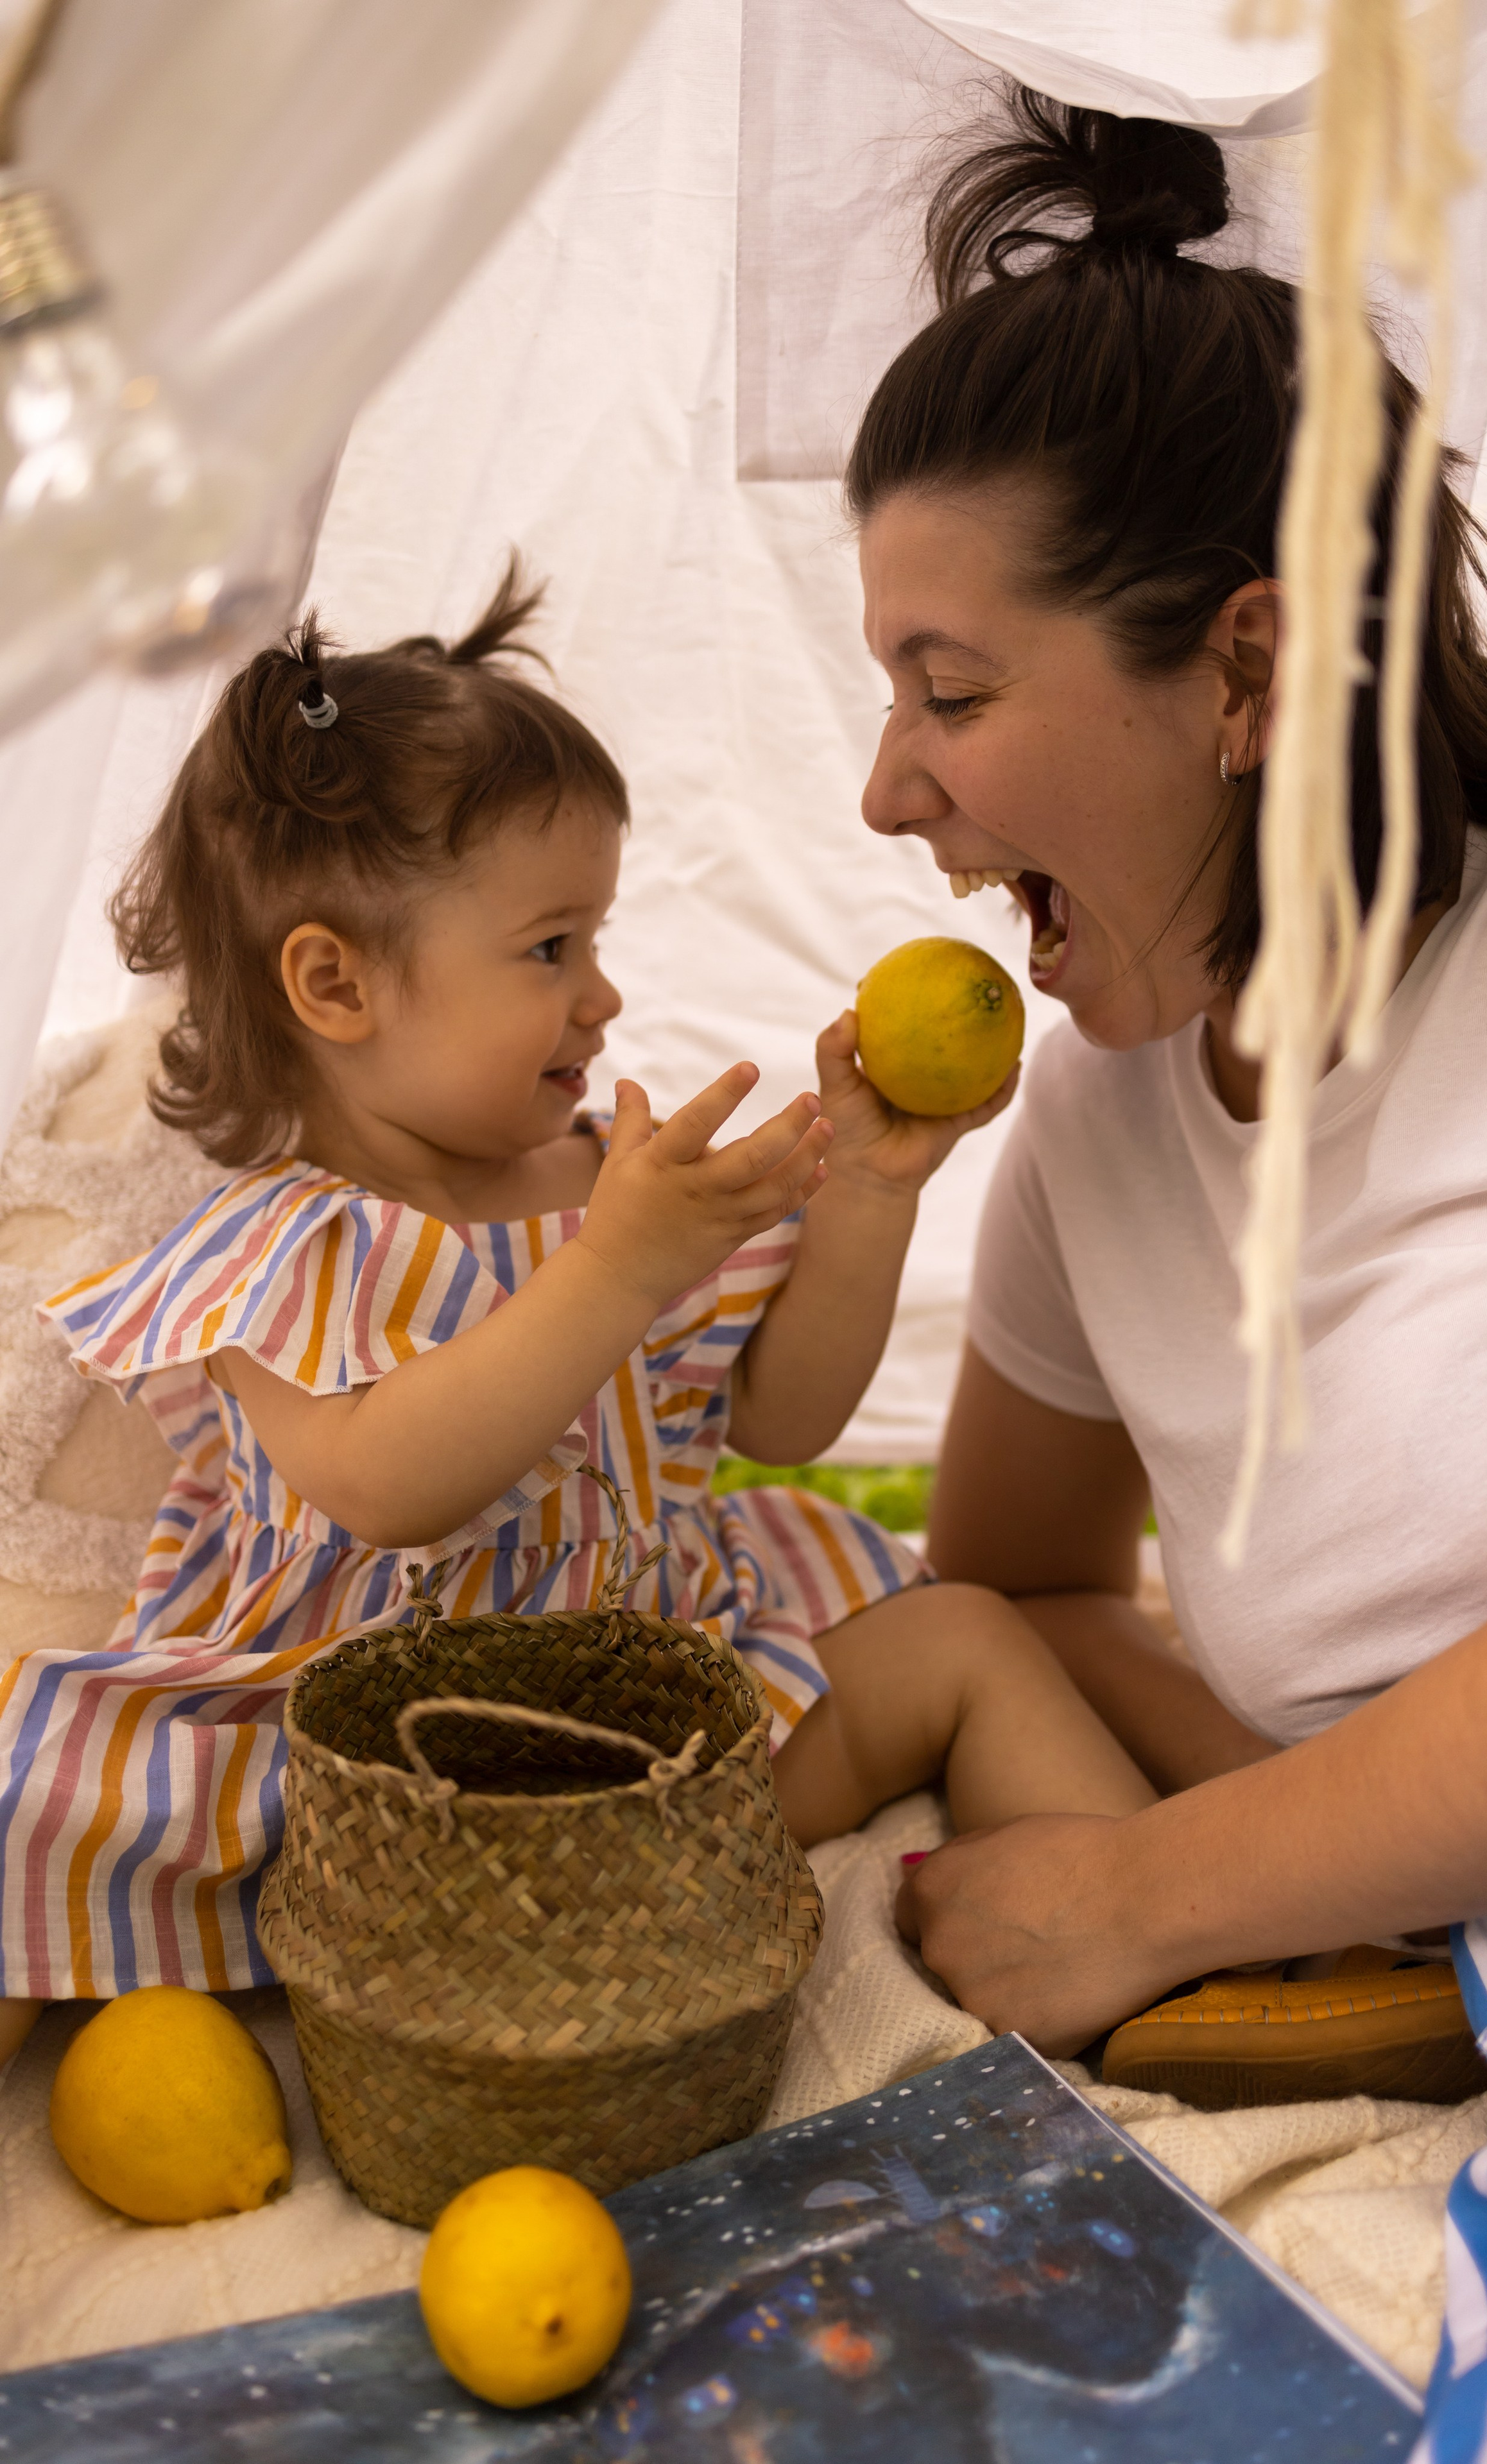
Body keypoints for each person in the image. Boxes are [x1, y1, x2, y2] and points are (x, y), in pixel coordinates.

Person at [855, 89, 1487, 2464]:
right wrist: (1360, 1888)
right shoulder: (1101, 1114)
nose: (884, 793)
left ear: (1248, 669)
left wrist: (1143, 1903)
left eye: (951, 690)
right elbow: (1004, 1610)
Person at [0, 565, 1154, 2066]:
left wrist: (867, 1196)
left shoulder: (618, 1180)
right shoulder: (271, 1251)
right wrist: (610, 1272)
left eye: (596, 941)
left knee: (967, 1644)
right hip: (366, 1795)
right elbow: (388, 1489)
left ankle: (1165, 1948)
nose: (602, 998)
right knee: (36, 1802)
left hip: (667, 1740)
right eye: (551, 950)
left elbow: (780, 1422)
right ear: (336, 986)